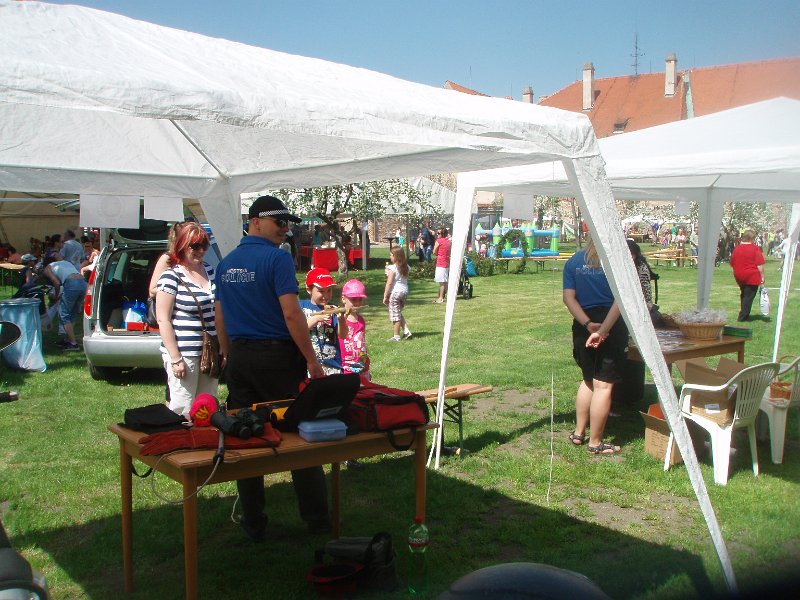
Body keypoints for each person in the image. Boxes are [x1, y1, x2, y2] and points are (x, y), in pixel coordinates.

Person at [215, 195, 329, 542]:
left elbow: (220, 315)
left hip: (241, 358)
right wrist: (311, 359)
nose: (285, 229)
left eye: (288, 223)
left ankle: (253, 520)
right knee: (299, 432)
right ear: (256, 222)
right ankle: (317, 520)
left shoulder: (226, 263)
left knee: (246, 436)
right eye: (279, 222)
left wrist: (228, 354)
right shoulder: (277, 260)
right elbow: (292, 314)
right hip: (277, 358)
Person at [562, 235, 627, 455]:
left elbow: (568, 298)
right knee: (604, 385)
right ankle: (595, 442)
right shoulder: (617, 261)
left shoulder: (573, 261)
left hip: (583, 324)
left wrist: (588, 324)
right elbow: (621, 301)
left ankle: (579, 432)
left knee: (588, 379)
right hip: (610, 322)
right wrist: (603, 330)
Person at [155, 222, 218, 418]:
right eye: (195, 246)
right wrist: (175, 359)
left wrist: (222, 347)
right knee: (183, 408)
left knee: (207, 406)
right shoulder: (170, 276)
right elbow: (163, 320)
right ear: (182, 245)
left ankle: (205, 444)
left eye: (204, 246)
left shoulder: (210, 270)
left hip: (210, 351)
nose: (200, 251)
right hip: (185, 353)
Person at [300, 267, 347, 375]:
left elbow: (343, 335)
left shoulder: (333, 308)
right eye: (321, 291)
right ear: (308, 289)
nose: (325, 295)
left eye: (329, 290)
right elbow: (299, 330)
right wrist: (317, 318)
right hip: (307, 365)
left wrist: (341, 320)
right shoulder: (301, 307)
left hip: (332, 365)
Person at [42, 255, 87, 351]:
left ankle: (73, 344)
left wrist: (56, 296)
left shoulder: (48, 268)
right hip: (83, 283)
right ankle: (68, 340)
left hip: (71, 283)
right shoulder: (65, 262)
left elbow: (56, 283)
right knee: (73, 313)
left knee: (64, 314)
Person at [730, 229, 766, 322]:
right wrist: (762, 276)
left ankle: (743, 313)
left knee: (744, 294)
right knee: (749, 296)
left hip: (739, 275)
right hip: (751, 275)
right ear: (752, 238)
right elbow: (759, 265)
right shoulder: (754, 248)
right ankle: (743, 317)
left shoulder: (737, 248)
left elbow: (732, 263)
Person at [627, 240, 664, 327]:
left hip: (639, 304)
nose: (629, 257)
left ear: (636, 254)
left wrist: (647, 304)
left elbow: (645, 287)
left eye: (631, 254)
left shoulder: (641, 267)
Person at [339, 279, 371, 380]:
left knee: (364, 391)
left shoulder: (361, 320)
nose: (357, 303)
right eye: (353, 299)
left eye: (360, 299)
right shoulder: (339, 319)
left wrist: (363, 364)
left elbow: (362, 344)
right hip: (344, 367)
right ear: (344, 299)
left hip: (360, 364)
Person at [383, 246, 411, 342]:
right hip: (404, 292)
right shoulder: (406, 267)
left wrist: (385, 296)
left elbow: (389, 283)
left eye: (391, 255)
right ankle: (406, 331)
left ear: (396, 256)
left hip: (395, 293)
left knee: (395, 315)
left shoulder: (392, 268)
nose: (390, 256)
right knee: (397, 311)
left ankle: (396, 336)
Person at [432, 226, 451, 303]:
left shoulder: (438, 241)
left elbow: (434, 252)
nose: (437, 234)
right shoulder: (449, 242)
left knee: (442, 281)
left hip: (440, 262)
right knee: (445, 280)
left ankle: (440, 298)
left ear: (442, 234)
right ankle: (446, 296)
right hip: (447, 261)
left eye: (439, 233)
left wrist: (437, 253)